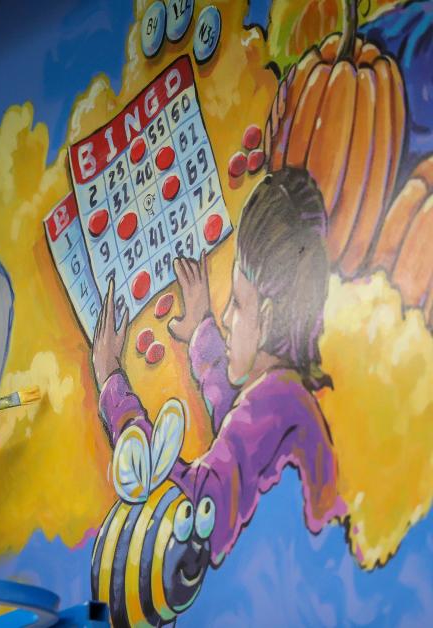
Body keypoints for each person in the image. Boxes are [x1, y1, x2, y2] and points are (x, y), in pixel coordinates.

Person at [91, 167, 346, 566]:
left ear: (265, 315)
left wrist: (112, 385)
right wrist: (201, 332)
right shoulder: (284, 399)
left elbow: (186, 510)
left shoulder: (273, 405)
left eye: (237, 304)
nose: (227, 317)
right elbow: (240, 449)